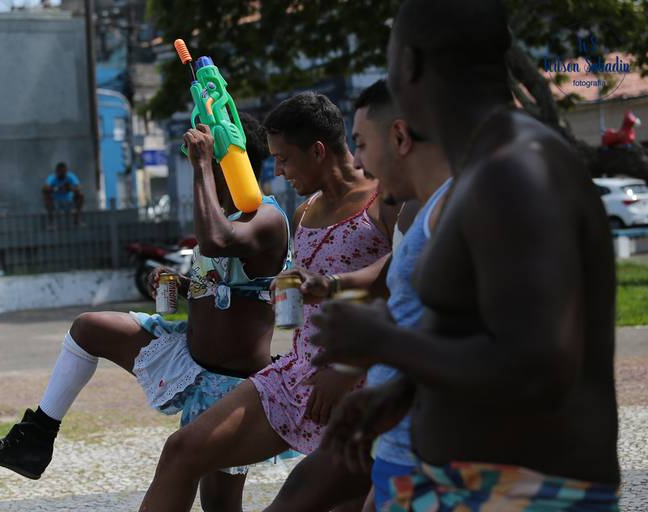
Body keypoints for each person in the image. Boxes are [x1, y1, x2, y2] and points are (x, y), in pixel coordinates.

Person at [312, 1, 620, 510]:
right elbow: (489, 329)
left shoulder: (515, 168)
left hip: (527, 495)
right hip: (470, 487)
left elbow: (539, 367)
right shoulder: (485, 168)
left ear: (409, 63)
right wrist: (403, 391)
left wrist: (384, 342)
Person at [0, 114, 292, 511]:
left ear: (231, 166)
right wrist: (180, 284)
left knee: (219, 504)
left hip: (230, 385)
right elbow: (224, 286)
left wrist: (201, 167)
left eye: (211, 165)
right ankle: (35, 438)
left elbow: (215, 240)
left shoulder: (266, 217)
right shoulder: (224, 216)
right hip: (189, 359)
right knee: (90, 328)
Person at [138, 92, 400, 512]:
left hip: (360, 382)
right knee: (182, 450)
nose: (277, 171)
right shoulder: (305, 212)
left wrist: (347, 365)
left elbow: (399, 287)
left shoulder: (384, 201)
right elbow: (305, 297)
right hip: (298, 373)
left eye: (284, 159)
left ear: (318, 151)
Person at [266, 80, 451, 512]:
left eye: (362, 144)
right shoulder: (419, 208)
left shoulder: (455, 208)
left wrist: (354, 368)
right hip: (392, 426)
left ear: (400, 138)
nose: (358, 161)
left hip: (444, 445)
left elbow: (475, 335)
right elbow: (398, 289)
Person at [42, 162, 85, 226]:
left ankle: (77, 219)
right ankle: (51, 221)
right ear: (56, 172)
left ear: (66, 171)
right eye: (60, 172)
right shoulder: (52, 178)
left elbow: (79, 187)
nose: (62, 174)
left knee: (80, 195)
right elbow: (44, 189)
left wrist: (70, 188)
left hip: (69, 201)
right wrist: (57, 188)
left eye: (64, 172)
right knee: (46, 195)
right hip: (55, 203)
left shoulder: (70, 176)